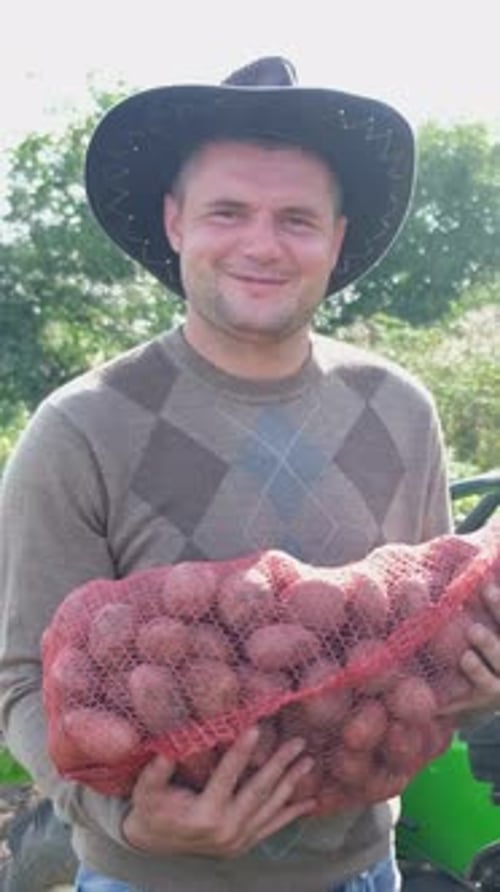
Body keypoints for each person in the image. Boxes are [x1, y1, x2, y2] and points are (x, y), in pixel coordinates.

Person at [1, 55, 500, 892]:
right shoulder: (80, 429)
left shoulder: (400, 412)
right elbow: (20, 678)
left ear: (337, 239)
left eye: (297, 219)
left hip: (363, 873)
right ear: (175, 222)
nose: (262, 245)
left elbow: (422, 642)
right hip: (150, 880)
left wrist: (480, 685)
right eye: (227, 211)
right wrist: (126, 820)